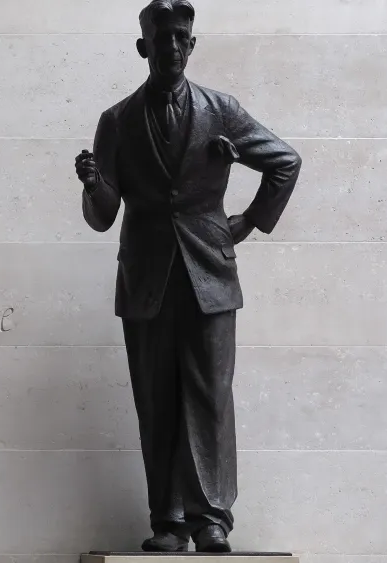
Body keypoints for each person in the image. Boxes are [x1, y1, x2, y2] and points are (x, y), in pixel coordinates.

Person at [75, 0, 302, 553]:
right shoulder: (116, 121)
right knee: (156, 400)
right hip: (146, 278)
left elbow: (285, 161)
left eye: (181, 37)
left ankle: (212, 518)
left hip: (209, 273)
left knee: (209, 397)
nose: (172, 47)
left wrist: (247, 222)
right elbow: (104, 216)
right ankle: (169, 522)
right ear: (143, 47)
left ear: (192, 44)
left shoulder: (220, 110)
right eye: (162, 38)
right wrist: (90, 183)